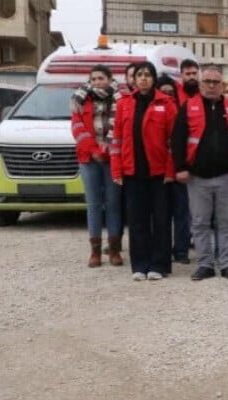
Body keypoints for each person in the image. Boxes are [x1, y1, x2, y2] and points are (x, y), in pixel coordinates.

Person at [171, 64, 228, 282]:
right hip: (197, 177)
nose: (211, 86)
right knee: (200, 222)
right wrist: (180, 168)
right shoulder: (188, 106)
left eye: (215, 82)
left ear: (222, 85)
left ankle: (227, 263)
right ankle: (205, 264)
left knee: (227, 222)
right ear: (201, 84)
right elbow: (178, 139)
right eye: (207, 81)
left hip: (227, 176)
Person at [110, 62, 177, 281]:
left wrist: (170, 170)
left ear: (154, 79)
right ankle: (139, 265)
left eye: (148, 75)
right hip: (133, 172)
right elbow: (117, 139)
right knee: (137, 220)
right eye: (140, 75)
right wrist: (116, 168)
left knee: (161, 221)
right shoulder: (124, 104)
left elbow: (174, 141)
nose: (143, 78)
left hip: (159, 174)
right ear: (134, 79)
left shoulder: (167, 103)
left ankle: (159, 264)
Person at [71, 64, 124, 267]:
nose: (96, 82)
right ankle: (95, 251)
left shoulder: (120, 99)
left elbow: (122, 127)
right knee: (93, 205)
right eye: (93, 79)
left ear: (110, 79)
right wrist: (94, 150)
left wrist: (108, 150)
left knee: (113, 204)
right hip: (89, 158)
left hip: (113, 157)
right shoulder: (80, 99)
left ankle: (114, 250)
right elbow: (77, 127)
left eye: (101, 78)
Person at [156, 74, 191, 265]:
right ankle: (162, 249)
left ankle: (181, 251)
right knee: (161, 214)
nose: (168, 96)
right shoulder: (154, 112)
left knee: (182, 213)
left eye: (171, 92)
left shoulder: (183, 112)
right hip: (159, 171)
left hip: (179, 170)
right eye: (164, 92)